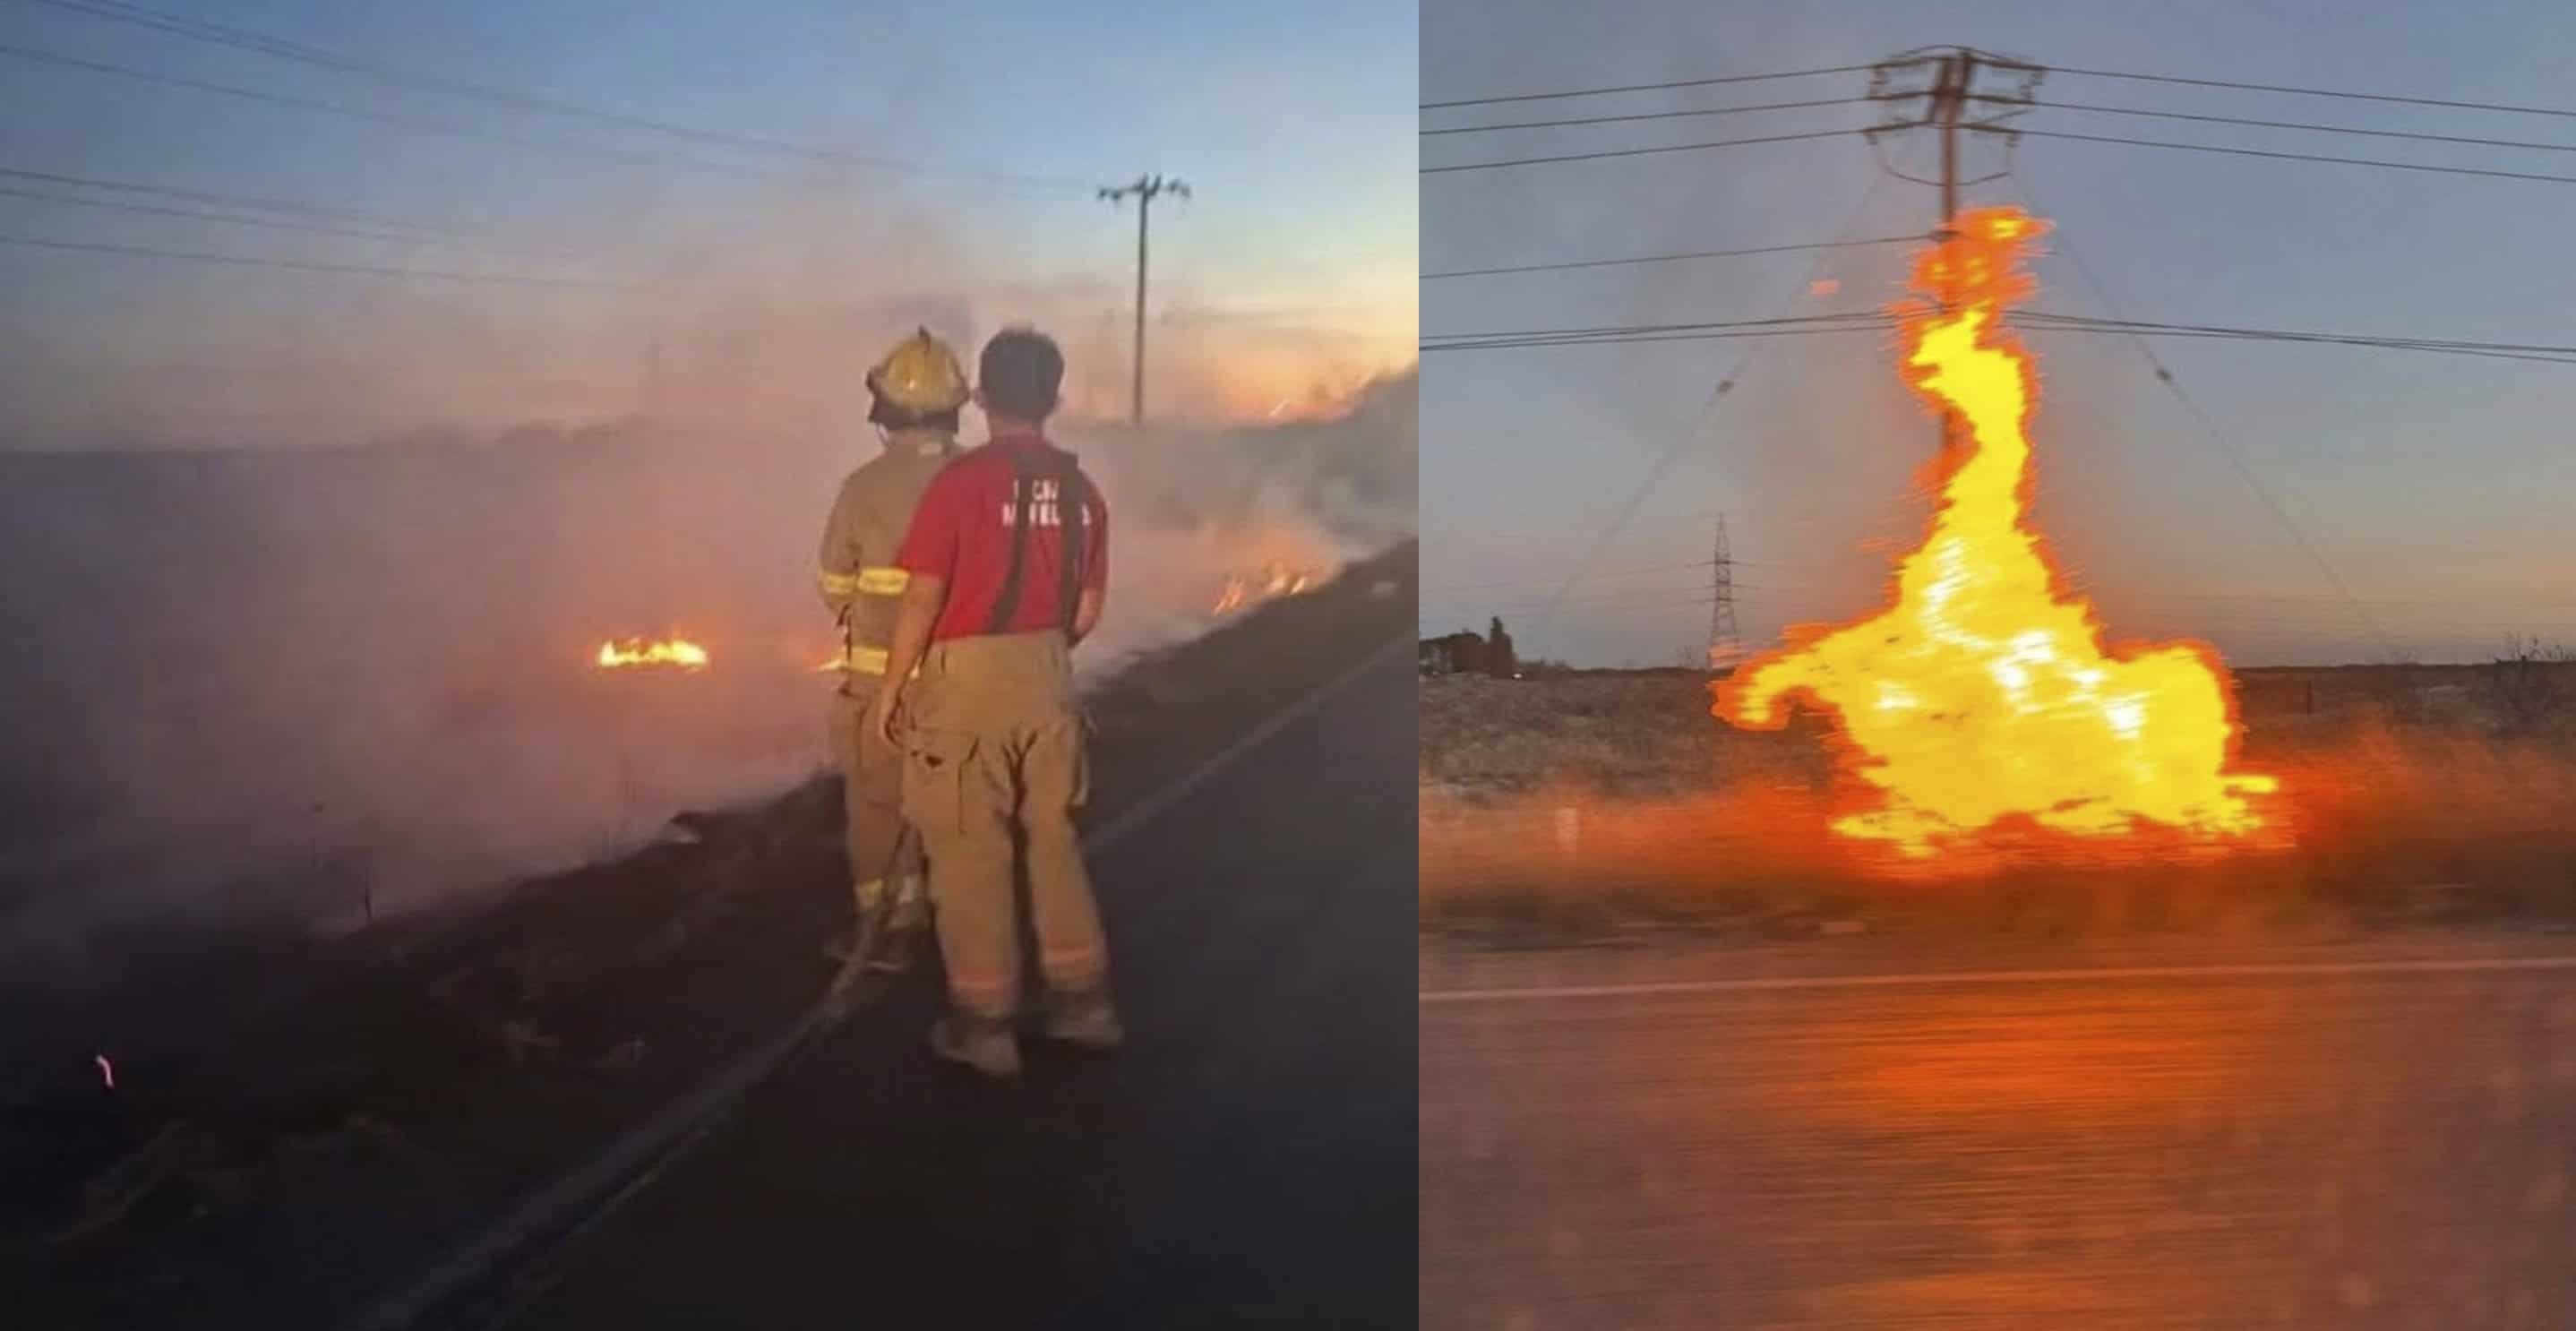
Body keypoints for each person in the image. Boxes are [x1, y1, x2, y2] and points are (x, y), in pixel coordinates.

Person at [871, 326, 1116, 1078]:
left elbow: (923, 597)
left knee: (971, 853)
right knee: (1053, 840)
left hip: (967, 689)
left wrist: (893, 688)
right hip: (1049, 680)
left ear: (980, 397)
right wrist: (1040, 658)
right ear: (1055, 400)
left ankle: (985, 1029)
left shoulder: (959, 485)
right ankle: (1083, 1006)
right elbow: (1087, 610)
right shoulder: (1082, 492)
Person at [815, 329, 968, 973]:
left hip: (881, 681)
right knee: (961, 801)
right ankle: (969, 919)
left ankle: (891, 924)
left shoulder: (863, 487)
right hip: (967, 679)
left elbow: (834, 584)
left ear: (885, 411)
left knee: (878, 804)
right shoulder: (981, 481)